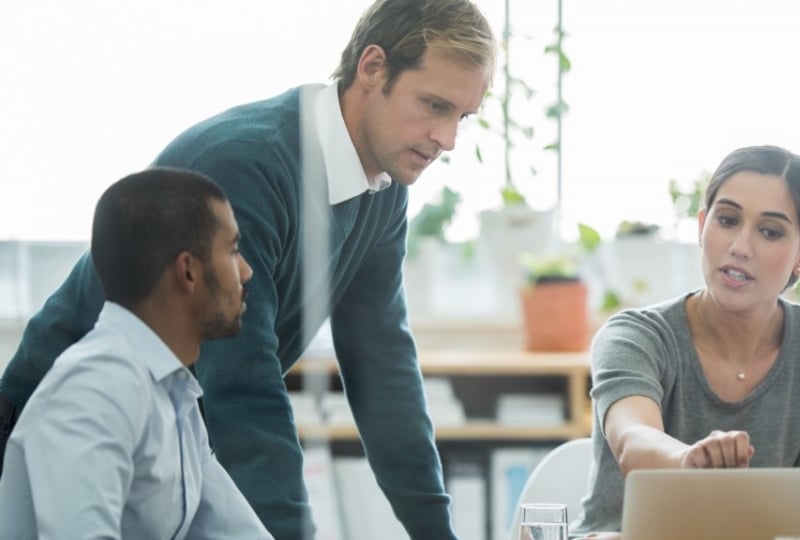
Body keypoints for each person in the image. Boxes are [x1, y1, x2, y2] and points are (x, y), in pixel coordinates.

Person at [0, 1, 495, 537]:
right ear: (372, 68)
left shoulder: (384, 188)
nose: (447, 139)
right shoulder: (248, 164)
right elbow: (242, 385)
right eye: (434, 105)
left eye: (461, 117)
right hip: (73, 439)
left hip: (175, 434)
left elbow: (382, 367)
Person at [572, 145, 800, 535]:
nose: (740, 247)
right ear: (702, 226)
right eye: (727, 220)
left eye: (770, 231)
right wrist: (690, 463)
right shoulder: (634, 336)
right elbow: (632, 441)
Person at [0, 168, 269, 538]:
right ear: (187, 271)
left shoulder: (174, 397)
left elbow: (236, 532)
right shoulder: (91, 393)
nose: (247, 271)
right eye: (234, 250)